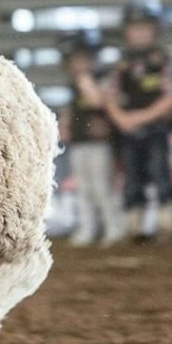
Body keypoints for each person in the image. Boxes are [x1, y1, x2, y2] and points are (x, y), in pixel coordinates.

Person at [105, 0, 172, 243]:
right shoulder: (121, 65)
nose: (140, 34)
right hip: (129, 132)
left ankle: (166, 224)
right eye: (135, 28)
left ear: (156, 30)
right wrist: (123, 120)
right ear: (126, 31)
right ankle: (133, 225)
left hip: (157, 130)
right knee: (132, 178)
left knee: (161, 175)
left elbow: (171, 97)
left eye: (145, 28)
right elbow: (110, 97)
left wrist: (140, 117)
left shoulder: (163, 61)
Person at [57, 28, 125, 246]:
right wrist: (65, 125)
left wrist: (85, 79)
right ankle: (87, 228)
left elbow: (97, 101)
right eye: (74, 60)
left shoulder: (101, 78)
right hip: (79, 142)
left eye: (83, 59)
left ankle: (114, 227)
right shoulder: (74, 84)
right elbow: (72, 108)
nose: (78, 65)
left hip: (99, 143)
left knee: (101, 186)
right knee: (83, 187)